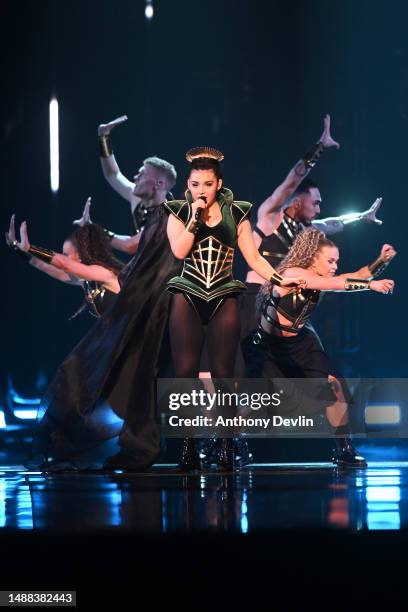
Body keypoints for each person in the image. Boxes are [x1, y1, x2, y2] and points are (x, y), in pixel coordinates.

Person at [164, 146, 305, 471]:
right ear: (188, 184)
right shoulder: (177, 210)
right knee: (185, 375)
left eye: (208, 184)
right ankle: (187, 450)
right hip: (188, 293)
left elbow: (253, 258)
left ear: (219, 183)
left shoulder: (237, 212)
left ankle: (226, 447)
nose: (201, 191)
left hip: (225, 293)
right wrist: (195, 217)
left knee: (224, 375)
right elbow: (181, 251)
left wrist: (279, 280)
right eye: (195, 184)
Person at [254, 228, 396, 467]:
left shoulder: (321, 278)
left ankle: (344, 449)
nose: (334, 266)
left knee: (335, 385)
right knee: (255, 400)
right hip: (269, 345)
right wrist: (370, 287)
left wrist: (380, 261)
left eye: (337, 261)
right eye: (330, 261)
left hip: (300, 341)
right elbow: (333, 284)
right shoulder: (294, 273)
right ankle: (223, 441)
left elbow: (356, 275)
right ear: (312, 258)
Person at [5, 210, 123, 318]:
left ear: (81, 255)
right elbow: (42, 265)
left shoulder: (101, 272)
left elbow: (63, 264)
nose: (62, 258)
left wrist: (30, 248)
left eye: (66, 255)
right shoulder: (85, 282)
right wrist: (16, 247)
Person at [98, 115, 175, 241]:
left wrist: (97, 233)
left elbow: (132, 246)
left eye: (142, 174)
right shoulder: (139, 199)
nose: (135, 177)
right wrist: (103, 137)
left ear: (159, 184)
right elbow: (113, 174)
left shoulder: (168, 215)